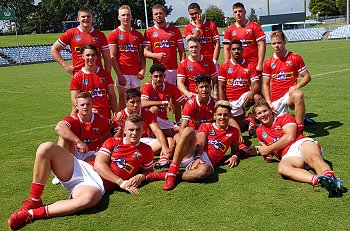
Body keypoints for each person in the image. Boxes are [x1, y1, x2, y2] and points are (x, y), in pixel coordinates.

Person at [7, 115, 154, 230]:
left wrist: (141, 176)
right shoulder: (113, 142)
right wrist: (121, 183)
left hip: (97, 185)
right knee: (45, 148)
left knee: (89, 199)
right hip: (84, 168)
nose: (134, 133)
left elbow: (148, 171)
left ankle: (31, 214)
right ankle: (34, 200)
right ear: (125, 129)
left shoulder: (146, 150)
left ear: (143, 129)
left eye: (138, 130)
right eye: (131, 130)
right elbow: (98, 165)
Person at [252, 99, 345, 195]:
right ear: (256, 116)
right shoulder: (259, 131)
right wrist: (267, 155)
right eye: (259, 113)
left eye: (265, 111)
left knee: (314, 158)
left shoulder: (285, 118)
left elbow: (290, 137)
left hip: (300, 143)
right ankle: (317, 180)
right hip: (288, 155)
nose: (263, 114)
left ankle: (332, 180)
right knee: (282, 168)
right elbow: (265, 148)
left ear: (270, 110)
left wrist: (269, 149)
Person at [147, 100, 240, 191]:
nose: (222, 117)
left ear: (230, 116)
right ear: (215, 115)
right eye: (220, 114)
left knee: (205, 171)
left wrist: (234, 156)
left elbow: (235, 149)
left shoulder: (234, 131)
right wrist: (197, 157)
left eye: (225, 115)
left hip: (207, 163)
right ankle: (172, 171)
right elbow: (200, 142)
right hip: (193, 153)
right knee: (188, 130)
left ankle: (167, 175)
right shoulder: (206, 126)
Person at [262, 30, 313, 131]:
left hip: (289, 95)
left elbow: (307, 76)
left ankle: (300, 129)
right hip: (276, 98)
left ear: (284, 42)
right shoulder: (268, 62)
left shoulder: (295, 58)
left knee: (298, 94)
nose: (276, 45)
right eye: (274, 43)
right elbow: (266, 84)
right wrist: (268, 102)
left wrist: (296, 86)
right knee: (278, 128)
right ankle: (299, 116)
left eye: (279, 42)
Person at [112, 89, 174, 168]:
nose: (136, 105)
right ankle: (138, 156)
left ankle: (163, 159)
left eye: (138, 101)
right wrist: (121, 127)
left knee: (169, 140)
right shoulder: (120, 115)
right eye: (132, 102)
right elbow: (116, 139)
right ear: (126, 103)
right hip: (128, 144)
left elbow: (157, 131)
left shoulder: (146, 113)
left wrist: (165, 148)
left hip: (144, 141)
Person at [218, 40, 261, 137]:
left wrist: (251, 93)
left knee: (257, 97)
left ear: (242, 50)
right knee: (235, 127)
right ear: (230, 51)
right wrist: (223, 104)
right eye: (234, 49)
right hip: (230, 101)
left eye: (238, 49)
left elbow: (256, 85)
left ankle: (252, 125)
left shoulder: (249, 65)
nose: (236, 51)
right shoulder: (224, 66)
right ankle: (249, 120)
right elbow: (221, 87)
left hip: (244, 99)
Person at [51, 8, 111, 75]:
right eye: (83, 16)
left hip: (98, 75)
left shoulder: (100, 35)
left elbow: (107, 58)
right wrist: (66, 66)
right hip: (78, 75)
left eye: (88, 16)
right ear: (78, 18)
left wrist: (107, 76)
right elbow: (54, 50)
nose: (86, 18)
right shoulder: (70, 33)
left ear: (92, 18)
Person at [108, 5, 146, 110]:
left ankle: (137, 123)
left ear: (131, 17)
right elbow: (112, 56)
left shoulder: (138, 34)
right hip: (123, 73)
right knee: (123, 100)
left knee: (136, 101)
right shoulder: (114, 34)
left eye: (128, 15)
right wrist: (119, 75)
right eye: (123, 15)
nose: (126, 17)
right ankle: (121, 125)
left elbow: (142, 55)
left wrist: (143, 70)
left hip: (135, 73)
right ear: (119, 17)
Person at [56, 92, 111, 162]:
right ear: (76, 106)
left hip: (93, 153)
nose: (85, 107)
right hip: (75, 151)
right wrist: (78, 142)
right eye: (82, 105)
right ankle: (61, 163)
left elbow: (109, 139)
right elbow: (59, 127)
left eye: (88, 104)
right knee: (63, 136)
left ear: (92, 105)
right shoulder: (73, 119)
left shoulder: (101, 120)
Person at [70, 45, 118, 119]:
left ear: (97, 56)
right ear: (82, 56)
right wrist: (88, 109)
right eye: (88, 55)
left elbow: (112, 95)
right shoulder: (77, 77)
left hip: (105, 116)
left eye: (93, 55)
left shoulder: (105, 74)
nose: (90, 58)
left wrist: (115, 113)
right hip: (87, 116)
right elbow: (74, 100)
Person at [143, 4, 186, 86]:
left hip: (174, 69)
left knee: (175, 95)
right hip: (158, 71)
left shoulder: (175, 30)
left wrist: (182, 68)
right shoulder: (149, 32)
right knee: (159, 95)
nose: (158, 15)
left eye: (160, 13)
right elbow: (145, 52)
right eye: (156, 14)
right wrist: (156, 55)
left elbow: (182, 51)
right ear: (153, 16)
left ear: (165, 14)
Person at [141, 64, 186, 137]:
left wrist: (182, 122)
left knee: (179, 133)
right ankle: (149, 133)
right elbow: (143, 103)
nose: (158, 79)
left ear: (164, 76)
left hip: (163, 121)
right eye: (155, 76)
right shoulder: (147, 86)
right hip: (148, 120)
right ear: (151, 77)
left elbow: (185, 104)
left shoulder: (170, 87)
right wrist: (164, 102)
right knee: (153, 109)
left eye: (160, 76)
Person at [223, 2, 265, 77]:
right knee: (239, 87)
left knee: (256, 88)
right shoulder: (229, 30)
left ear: (244, 12)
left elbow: (262, 45)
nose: (238, 13)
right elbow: (226, 49)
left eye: (240, 11)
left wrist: (260, 64)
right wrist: (228, 64)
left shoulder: (255, 26)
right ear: (233, 14)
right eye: (235, 12)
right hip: (237, 66)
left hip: (253, 65)